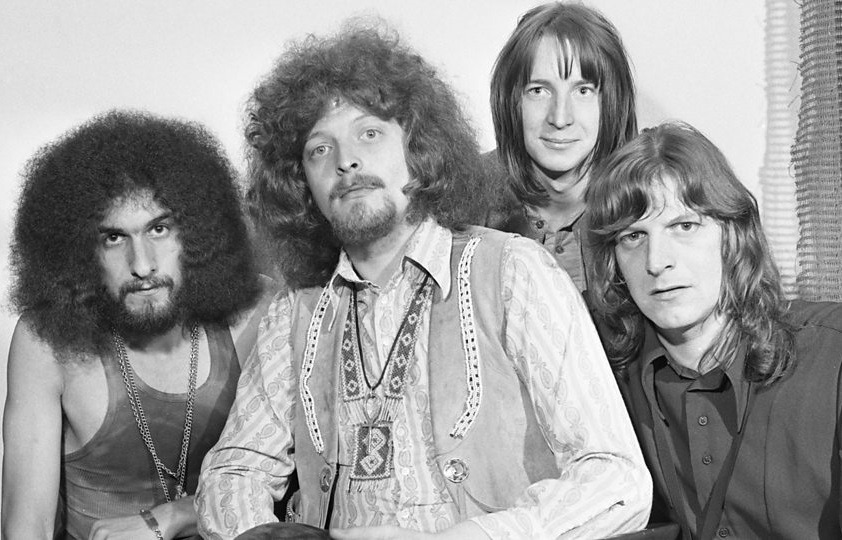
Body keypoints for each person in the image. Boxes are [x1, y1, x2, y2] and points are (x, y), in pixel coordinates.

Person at [196, 24, 651, 540]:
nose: (346, 161)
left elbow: (618, 479)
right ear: (299, 181)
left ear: (419, 147)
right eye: (319, 149)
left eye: (369, 134)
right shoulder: (294, 312)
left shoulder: (512, 271)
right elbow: (232, 472)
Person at [2, 111, 273, 540]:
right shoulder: (47, 341)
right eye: (114, 238)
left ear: (198, 233)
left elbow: (294, 491)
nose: (142, 265)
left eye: (159, 229)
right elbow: (26, 526)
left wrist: (176, 516)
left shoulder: (256, 316)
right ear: (79, 253)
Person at [585, 121, 842, 539]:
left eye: (684, 226)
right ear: (613, 262)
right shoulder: (602, 376)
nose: (657, 261)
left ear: (733, 235)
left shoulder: (832, 359)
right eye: (633, 236)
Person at [485, 1, 636, 292]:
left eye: (583, 91)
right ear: (511, 101)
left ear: (612, 103)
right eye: (539, 91)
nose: (560, 118)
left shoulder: (646, 203)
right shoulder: (461, 201)